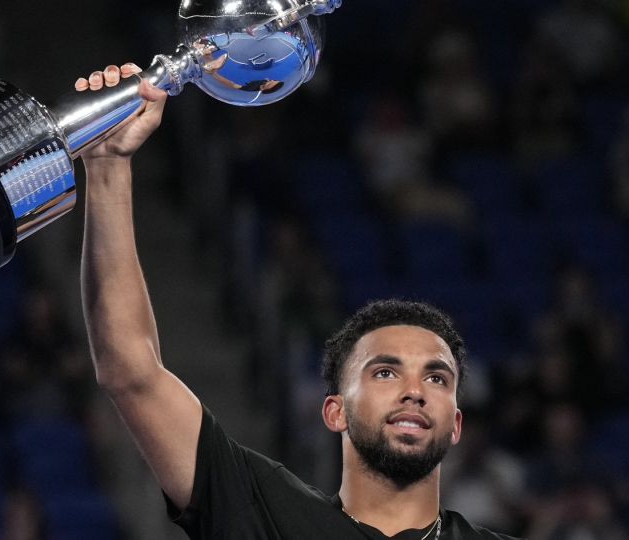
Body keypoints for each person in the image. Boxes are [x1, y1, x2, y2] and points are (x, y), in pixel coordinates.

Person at [73, 63, 518, 539]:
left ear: (455, 423)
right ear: (335, 411)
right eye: (385, 372)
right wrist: (107, 167)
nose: (415, 390)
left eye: (436, 376)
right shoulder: (271, 516)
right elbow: (131, 373)